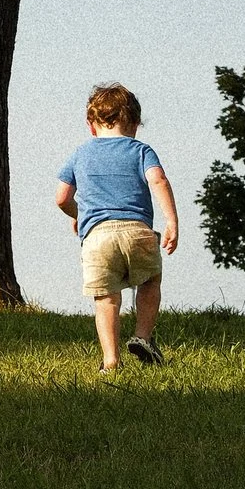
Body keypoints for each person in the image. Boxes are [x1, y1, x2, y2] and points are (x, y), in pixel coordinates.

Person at [56, 82, 178, 372]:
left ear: (91, 125)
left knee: (107, 298)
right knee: (150, 281)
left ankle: (110, 359)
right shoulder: (141, 150)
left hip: (97, 237)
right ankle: (143, 336)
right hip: (138, 231)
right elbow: (158, 179)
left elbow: (62, 198)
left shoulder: (80, 153)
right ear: (135, 123)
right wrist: (171, 220)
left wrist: (79, 214)